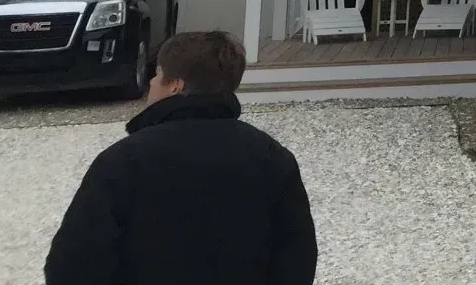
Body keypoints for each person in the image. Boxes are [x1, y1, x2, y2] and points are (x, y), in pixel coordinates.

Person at [45, 29, 318, 285]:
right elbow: (297, 258)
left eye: (157, 73)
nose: (151, 82)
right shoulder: (272, 157)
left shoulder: (123, 161)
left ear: (175, 85)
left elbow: (72, 264)